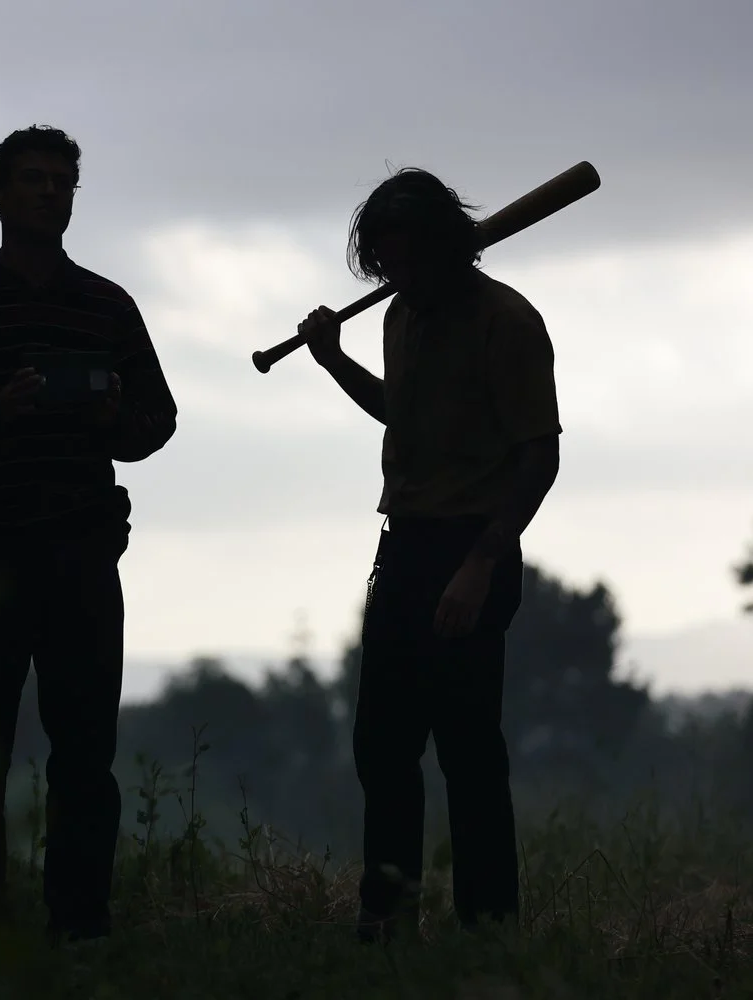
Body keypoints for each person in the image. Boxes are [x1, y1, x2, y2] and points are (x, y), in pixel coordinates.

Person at [0, 125, 178, 951]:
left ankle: (79, 926)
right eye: (35, 180)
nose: (51, 193)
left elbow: (157, 422)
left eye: (62, 181)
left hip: (82, 553)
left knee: (86, 753)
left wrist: (111, 415)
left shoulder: (108, 307)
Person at [297, 167, 562, 942]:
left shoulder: (506, 322)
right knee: (382, 746)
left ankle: (489, 928)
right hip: (405, 546)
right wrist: (332, 359)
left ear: (447, 247)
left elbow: (538, 456)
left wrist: (481, 565)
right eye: (385, 264)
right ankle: (386, 923)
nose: (396, 276)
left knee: (469, 752)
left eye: (408, 259)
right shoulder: (401, 316)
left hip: (474, 547)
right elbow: (400, 416)